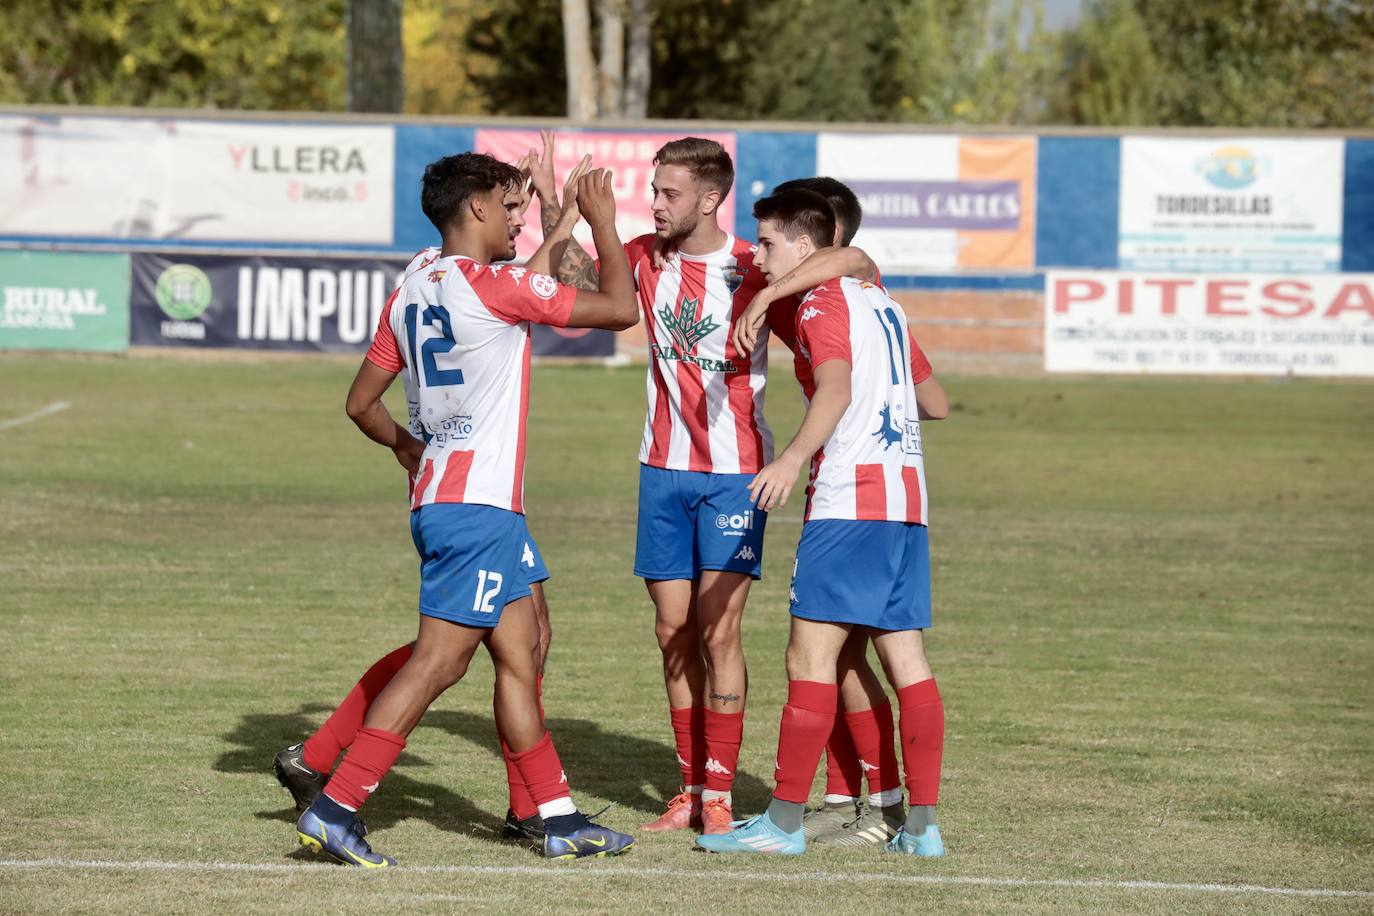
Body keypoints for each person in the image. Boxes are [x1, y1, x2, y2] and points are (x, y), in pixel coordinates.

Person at [292, 153, 639, 867]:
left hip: (452, 501)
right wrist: (600, 222)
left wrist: (408, 447)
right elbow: (619, 309)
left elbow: (360, 403)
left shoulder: (415, 283)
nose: (517, 219)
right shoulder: (498, 287)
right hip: (477, 509)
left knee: (523, 651)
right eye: (508, 207)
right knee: (437, 664)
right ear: (476, 207)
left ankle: (555, 817)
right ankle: (336, 807)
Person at [697, 189, 946, 857]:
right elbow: (935, 401)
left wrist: (791, 458)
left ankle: (782, 825)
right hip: (905, 502)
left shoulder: (821, 301)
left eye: (768, 243)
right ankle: (921, 829)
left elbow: (835, 387)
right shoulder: (882, 302)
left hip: (849, 502)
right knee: (907, 660)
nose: (759, 256)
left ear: (807, 247)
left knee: (808, 657)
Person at [539, 135, 771, 835]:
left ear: (711, 198)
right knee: (673, 631)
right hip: (661, 471)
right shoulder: (644, 256)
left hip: (734, 476)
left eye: (670, 193)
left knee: (718, 631)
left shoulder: (756, 268)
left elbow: (846, 277)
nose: (657, 203)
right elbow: (575, 280)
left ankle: (721, 794)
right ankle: (690, 789)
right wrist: (554, 199)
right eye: (654, 190)